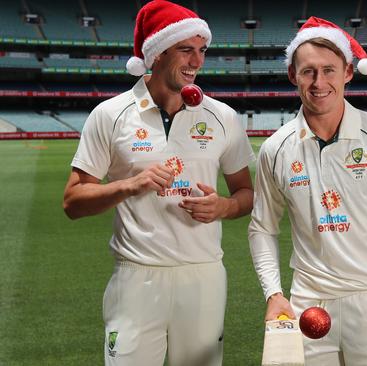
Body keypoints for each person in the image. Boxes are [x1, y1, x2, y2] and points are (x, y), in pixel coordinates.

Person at [62, 1, 255, 365]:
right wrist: (130, 185)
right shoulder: (110, 114)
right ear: (157, 53)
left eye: (202, 51)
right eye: (186, 50)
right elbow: (73, 201)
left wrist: (225, 207)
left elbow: (246, 194)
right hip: (136, 278)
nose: (197, 62)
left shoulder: (222, 117)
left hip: (203, 276)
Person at [248, 17, 367, 366]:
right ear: (293, 76)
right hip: (308, 302)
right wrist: (273, 293)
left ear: (348, 72)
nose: (319, 82)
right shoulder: (275, 149)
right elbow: (262, 228)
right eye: (308, 72)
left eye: (329, 70)